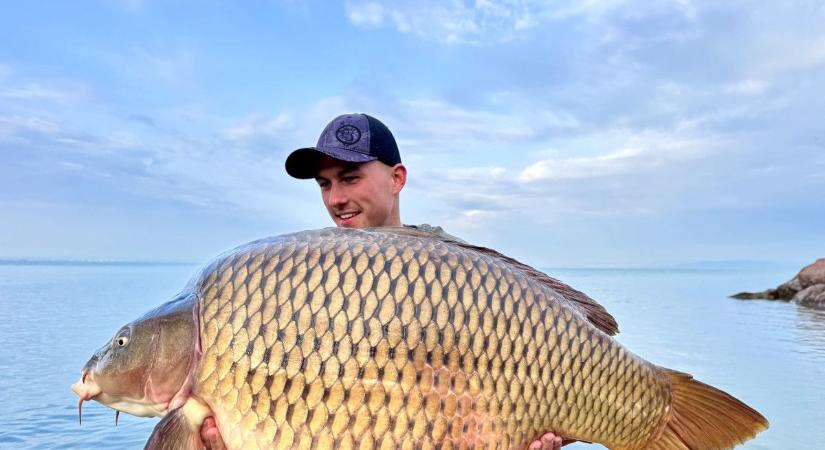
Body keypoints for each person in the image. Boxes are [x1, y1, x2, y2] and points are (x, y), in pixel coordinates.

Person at [200, 113, 564, 450]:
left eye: (350, 178)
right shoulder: (310, 276)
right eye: (324, 184)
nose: (336, 199)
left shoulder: (456, 270)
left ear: (397, 178)